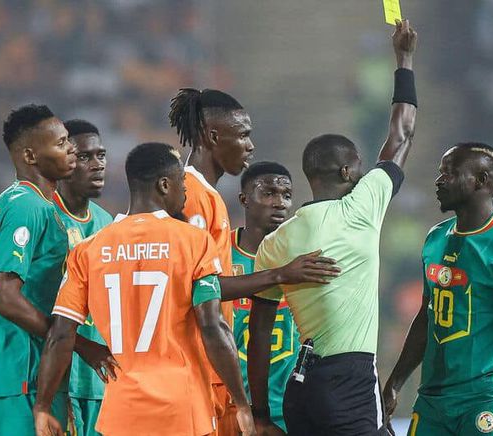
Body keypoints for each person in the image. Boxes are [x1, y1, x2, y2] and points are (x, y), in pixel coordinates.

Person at [248, 19, 418, 436]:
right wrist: (405, 59)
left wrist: (261, 413)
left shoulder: (275, 242)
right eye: (360, 166)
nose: (365, 171)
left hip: (300, 386)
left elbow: (259, 337)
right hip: (349, 378)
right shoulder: (360, 208)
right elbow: (401, 135)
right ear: (347, 170)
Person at [33, 142, 254, 436]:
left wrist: (43, 407)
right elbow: (213, 326)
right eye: (181, 185)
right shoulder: (194, 241)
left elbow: (61, 334)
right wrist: (241, 403)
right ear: (164, 185)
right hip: (181, 410)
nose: (186, 194)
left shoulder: (89, 250)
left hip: (119, 414)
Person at [169, 87, 340, 435]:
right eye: (244, 134)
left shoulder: (206, 195)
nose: (250, 145)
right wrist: (280, 275)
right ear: (213, 135)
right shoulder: (193, 195)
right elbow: (198, 289)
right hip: (193, 369)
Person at [383, 143, 493, 436]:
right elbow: (427, 315)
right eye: (440, 172)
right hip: (433, 399)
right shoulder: (435, 238)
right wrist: (395, 381)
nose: (439, 180)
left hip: (488, 397)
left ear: (481, 181)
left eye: (450, 173)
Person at [0, 105, 114, 434]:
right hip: (21, 374)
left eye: (69, 142)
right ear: (30, 155)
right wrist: (79, 344)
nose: (71, 149)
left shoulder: (34, 204)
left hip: (32, 374)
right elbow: (3, 297)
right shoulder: (26, 205)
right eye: (60, 144)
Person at [52, 119, 113, 436]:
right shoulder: (44, 215)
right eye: (86, 157)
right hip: (59, 376)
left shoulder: (108, 224)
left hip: (102, 378)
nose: (97, 165)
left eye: (101, 156)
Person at [231, 161, 299, 433]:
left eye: (286, 195)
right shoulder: (217, 253)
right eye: (269, 193)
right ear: (244, 199)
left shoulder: (302, 255)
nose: (280, 203)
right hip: (231, 404)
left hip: (291, 404)